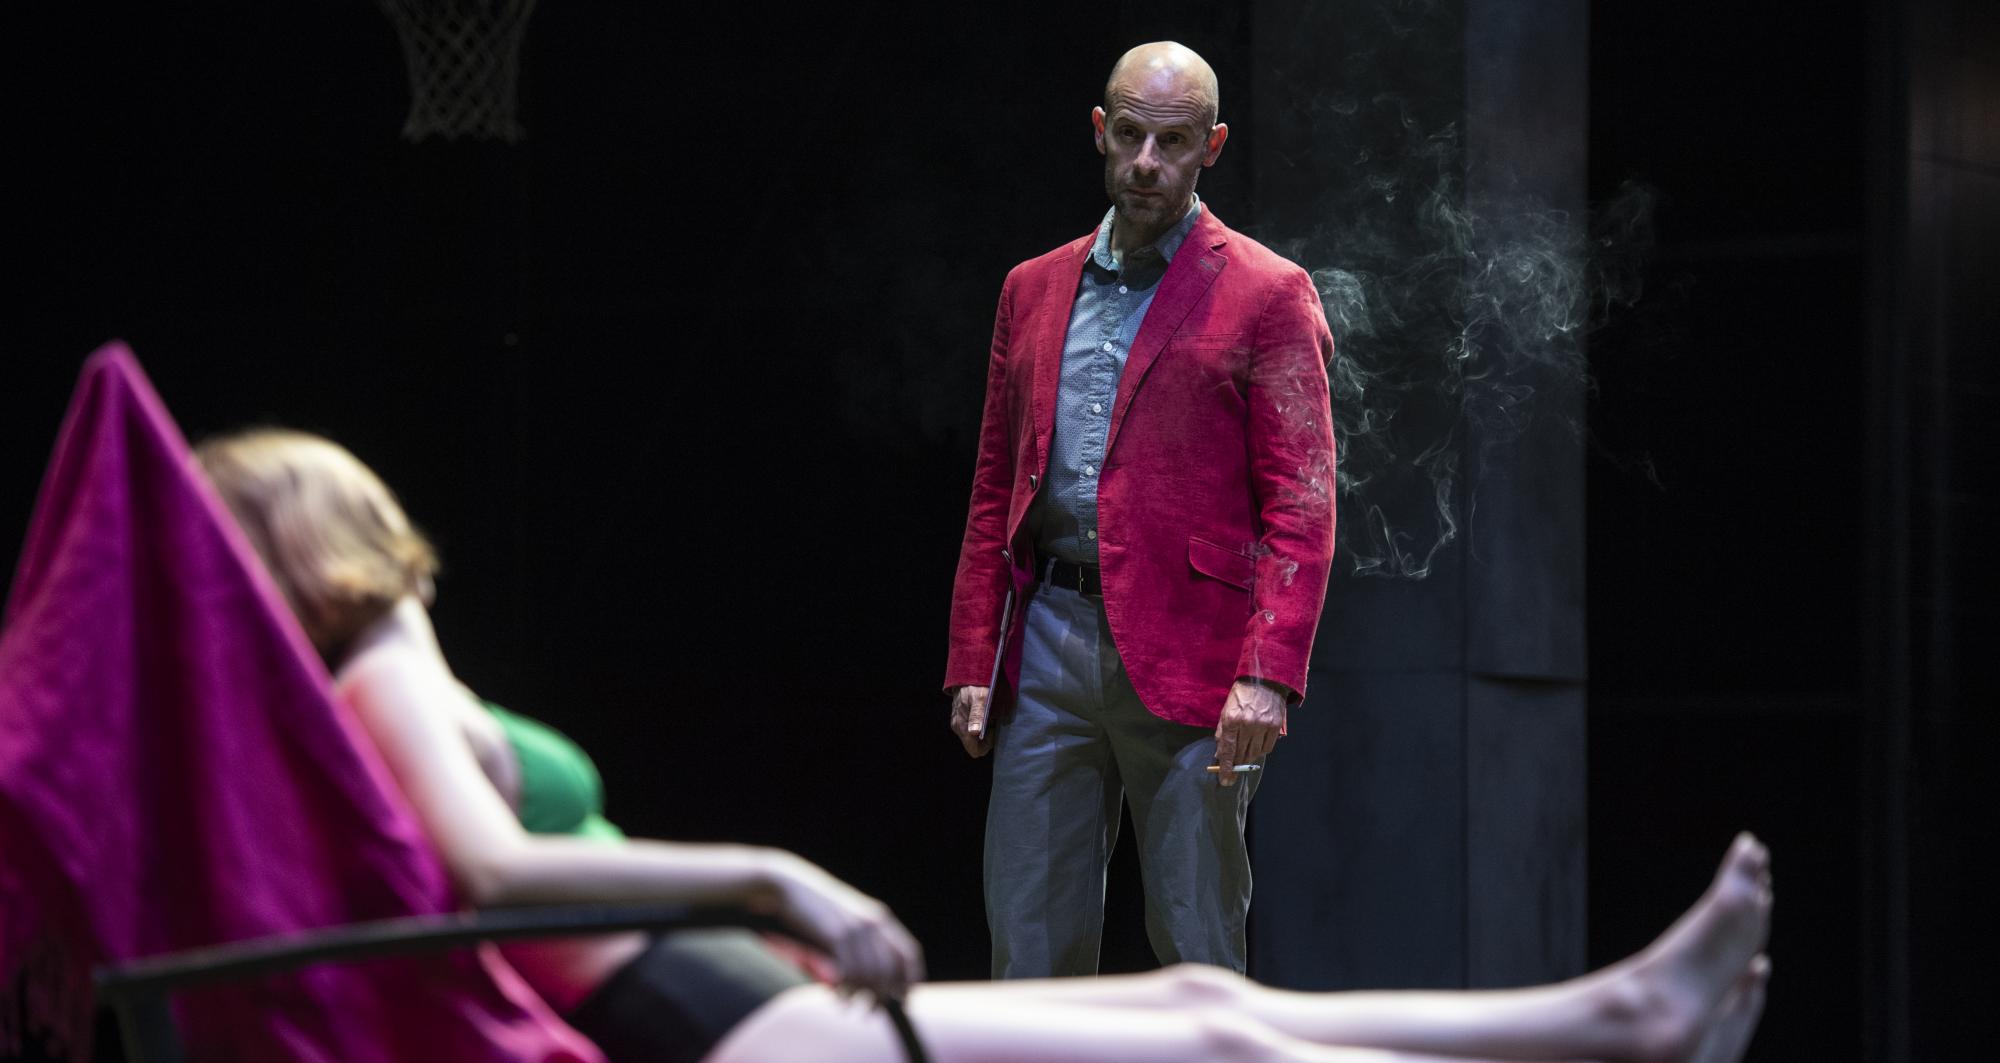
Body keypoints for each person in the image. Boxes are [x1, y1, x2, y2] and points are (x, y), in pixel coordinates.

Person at [197, 426, 1774, 1063]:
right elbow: (487, 870)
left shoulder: (378, 677)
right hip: (698, 1014)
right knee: (1213, 1046)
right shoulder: (378, 668)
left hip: (721, 998)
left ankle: (1616, 1009)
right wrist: (779, 877)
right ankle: (1617, 1029)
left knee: (1205, 1004)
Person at [944, 40, 1337, 977]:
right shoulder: (1032, 288)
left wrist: (1268, 675)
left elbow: (1302, 506)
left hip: (1194, 652)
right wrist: (972, 655)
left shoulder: (1268, 292)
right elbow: (996, 487)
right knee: (1028, 953)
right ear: (1100, 131)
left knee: (1198, 949)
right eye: (1130, 136)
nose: (1147, 162)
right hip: (1048, 640)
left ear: (1213, 146)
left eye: (1174, 142)